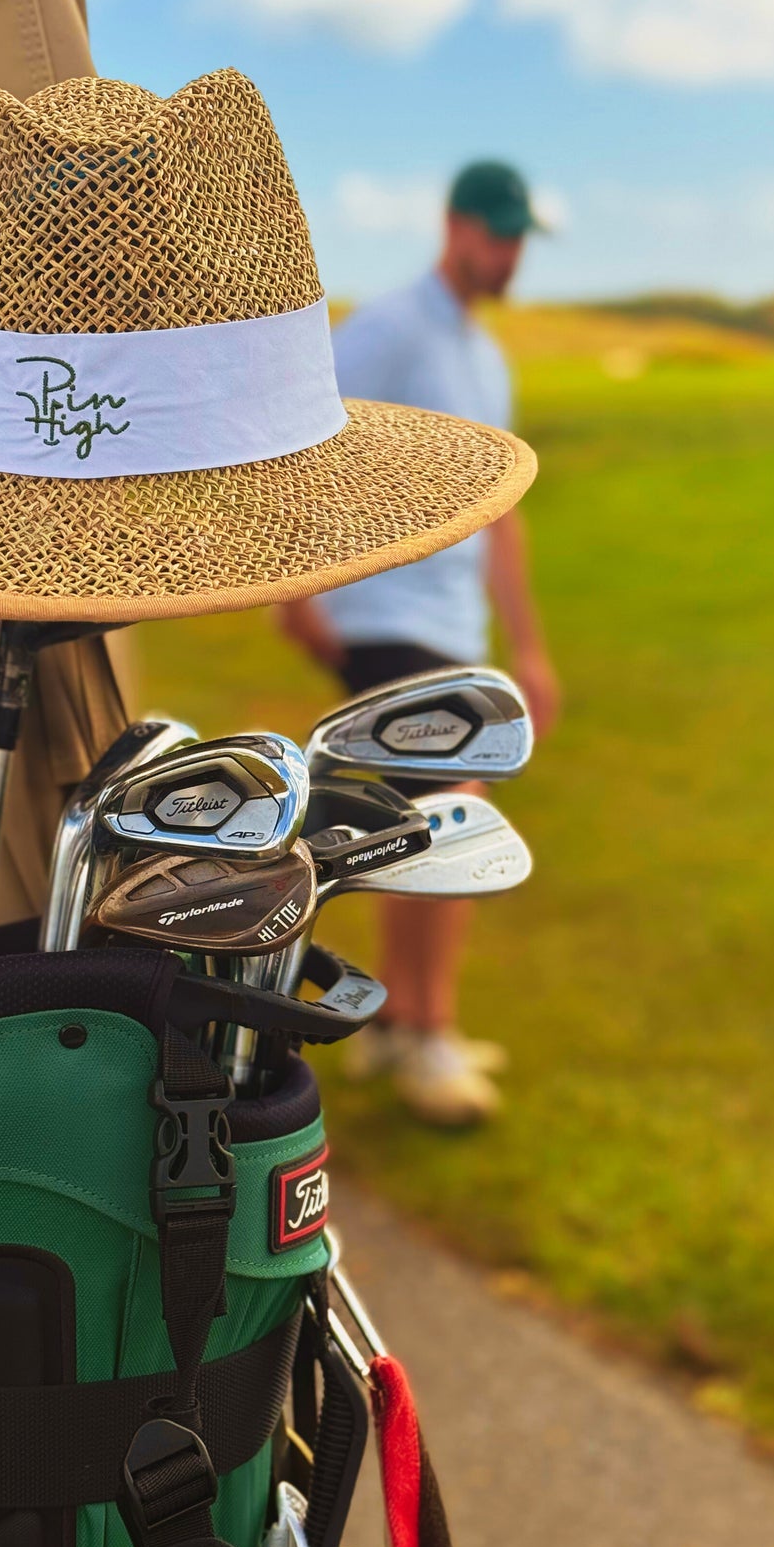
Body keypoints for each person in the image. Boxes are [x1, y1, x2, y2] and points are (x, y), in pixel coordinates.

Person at [278, 160, 561, 1127]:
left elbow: (503, 518)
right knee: (455, 811)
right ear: (456, 227)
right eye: (499, 234)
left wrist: (528, 650)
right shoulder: (392, 328)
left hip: (453, 627)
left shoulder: (486, 359)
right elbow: (306, 443)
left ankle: (403, 1026)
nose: (510, 254)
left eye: (521, 237)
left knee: (424, 822)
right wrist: (298, 590)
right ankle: (429, 1035)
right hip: (383, 615)